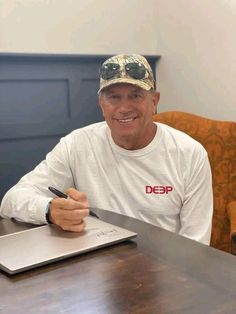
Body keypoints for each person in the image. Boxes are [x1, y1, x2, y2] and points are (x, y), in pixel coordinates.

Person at [0, 54, 213, 244]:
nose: (124, 107)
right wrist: (49, 210)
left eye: (135, 95)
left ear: (154, 101)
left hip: (166, 272)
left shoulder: (190, 154)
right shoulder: (77, 144)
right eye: (113, 97)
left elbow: (196, 242)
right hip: (96, 270)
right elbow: (11, 201)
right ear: (101, 103)